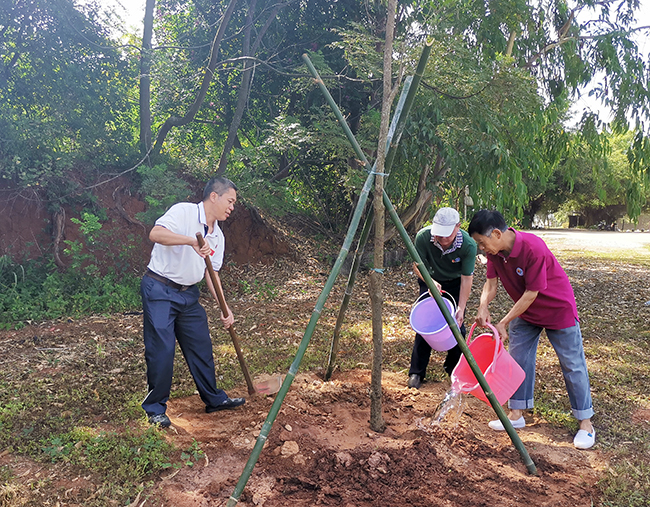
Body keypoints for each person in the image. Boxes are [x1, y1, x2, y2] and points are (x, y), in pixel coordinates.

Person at [468, 209, 595, 449]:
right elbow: (491, 283)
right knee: (518, 359)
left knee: (572, 364)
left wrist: (504, 321)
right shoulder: (495, 253)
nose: (482, 248)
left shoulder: (533, 248)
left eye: (482, 242)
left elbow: (531, 294)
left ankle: (586, 423)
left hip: (557, 309)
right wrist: (483, 305)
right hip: (526, 313)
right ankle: (516, 415)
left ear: (496, 234)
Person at [141, 176, 245, 428]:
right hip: (160, 289)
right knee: (162, 350)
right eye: (229, 201)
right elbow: (156, 234)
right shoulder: (183, 212)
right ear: (214, 196)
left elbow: (212, 273)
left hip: (188, 295)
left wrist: (225, 307)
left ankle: (213, 399)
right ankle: (155, 409)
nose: (232, 207)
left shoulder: (218, 236)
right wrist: (192, 241)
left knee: (201, 346)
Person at [407, 207, 477, 388]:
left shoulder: (468, 245)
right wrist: (430, 282)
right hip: (429, 279)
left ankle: (453, 369)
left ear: (457, 227)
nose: (443, 239)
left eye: (447, 235)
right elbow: (417, 265)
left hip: (454, 284)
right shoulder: (423, 238)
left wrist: (461, 307)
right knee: (426, 324)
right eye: (439, 234)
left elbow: (467, 278)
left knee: (457, 326)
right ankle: (416, 372)